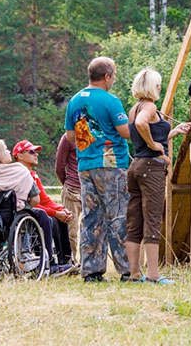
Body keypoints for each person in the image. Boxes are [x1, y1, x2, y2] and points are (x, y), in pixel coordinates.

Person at [64, 56, 131, 282]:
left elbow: (70, 137)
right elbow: (126, 132)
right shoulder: (111, 101)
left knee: (91, 218)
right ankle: (128, 270)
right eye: (113, 76)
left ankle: (91, 271)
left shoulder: (74, 101)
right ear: (107, 76)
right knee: (118, 215)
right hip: (111, 164)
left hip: (85, 165)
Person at [125, 68, 191, 284]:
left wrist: (172, 132)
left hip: (136, 166)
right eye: (157, 84)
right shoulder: (150, 107)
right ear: (151, 87)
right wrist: (156, 148)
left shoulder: (135, 108)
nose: (160, 88)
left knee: (135, 220)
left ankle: (134, 273)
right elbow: (143, 126)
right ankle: (153, 274)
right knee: (152, 218)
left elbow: (144, 132)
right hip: (151, 168)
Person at [0, 138, 73, 276]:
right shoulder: (20, 171)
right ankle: (50, 263)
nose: (8, 151)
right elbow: (35, 199)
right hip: (15, 216)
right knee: (43, 216)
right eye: (5, 150)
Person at [12, 140, 74, 267]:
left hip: (35, 211)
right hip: (23, 212)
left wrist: (61, 209)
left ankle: (65, 260)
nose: (36, 154)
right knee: (52, 220)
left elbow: (45, 200)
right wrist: (55, 213)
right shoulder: (19, 175)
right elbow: (31, 204)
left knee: (60, 219)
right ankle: (48, 262)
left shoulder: (33, 175)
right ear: (20, 156)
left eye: (36, 152)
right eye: (31, 152)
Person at [55, 132, 81, 264]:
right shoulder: (68, 137)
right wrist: (67, 182)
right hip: (73, 188)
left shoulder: (97, 132)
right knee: (70, 229)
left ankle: (87, 261)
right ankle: (71, 261)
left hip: (92, 187)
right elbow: (59, 165)